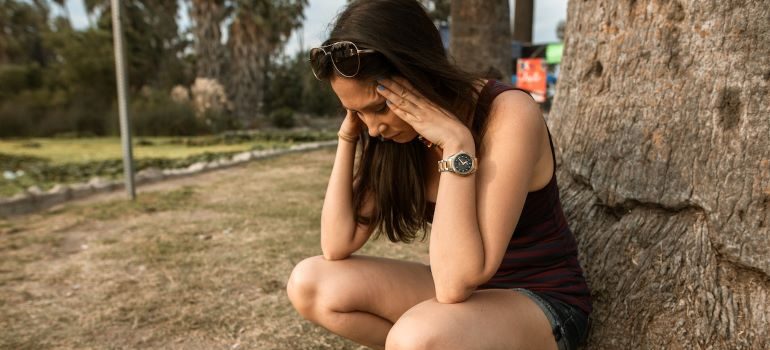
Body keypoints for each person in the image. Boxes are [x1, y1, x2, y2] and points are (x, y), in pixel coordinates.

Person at [286, 0, 592, 349]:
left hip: (540, 301)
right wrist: (348, 136)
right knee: (309, 283)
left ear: (419, 75)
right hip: (462, 300)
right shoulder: (391, 135)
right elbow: (336, 243)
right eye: (356, 112)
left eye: (379, 107)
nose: (372, 128)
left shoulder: (508, 113)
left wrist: (457, 144)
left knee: (417, 338)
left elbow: (455, 283)